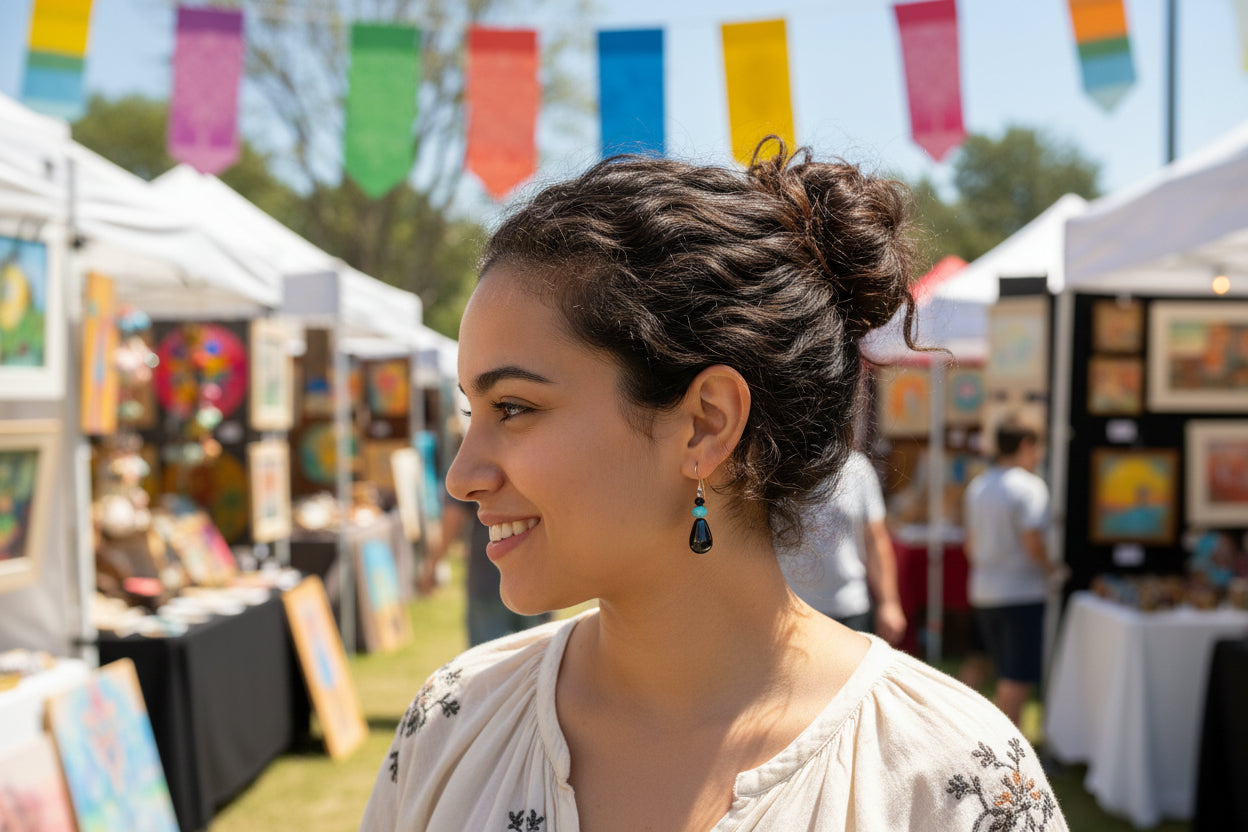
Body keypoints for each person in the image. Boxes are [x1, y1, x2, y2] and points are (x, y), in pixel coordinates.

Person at [362, 140, 1067, 831]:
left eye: (513, 408)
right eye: (470, 412)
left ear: (704, 424)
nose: (463, 475)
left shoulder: (947, 780)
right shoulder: (454, 724)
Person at [963, 422, 1064, 727]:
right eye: (1036, 448)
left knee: (981, 664)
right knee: (1015, 678)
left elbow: (970, 543)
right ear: (1024, 446)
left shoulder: (978, 486)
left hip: (984, 590)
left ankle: (961, 737)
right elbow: (1032, 542)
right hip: (1021, 592)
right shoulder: (1030, 486)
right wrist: (1053, 568)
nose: (1038, 456)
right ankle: (1009, 757)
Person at [777, 448, 907, 645]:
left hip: (849, 608)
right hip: (789, 610)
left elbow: (875, 540)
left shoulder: (856, 467)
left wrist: (889, 603)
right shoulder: (774, 464)